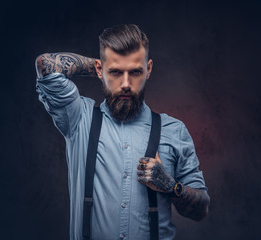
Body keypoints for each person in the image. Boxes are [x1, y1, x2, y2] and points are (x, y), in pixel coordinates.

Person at [35, 24, 210, 240]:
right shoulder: (79, 118)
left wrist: (171, 186)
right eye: (115, 72)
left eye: (136, 71)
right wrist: (102, 64)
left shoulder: (174, 131)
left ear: (149, 69)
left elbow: (201, 209)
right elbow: (46, 65)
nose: (126, 84)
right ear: (100, 70)